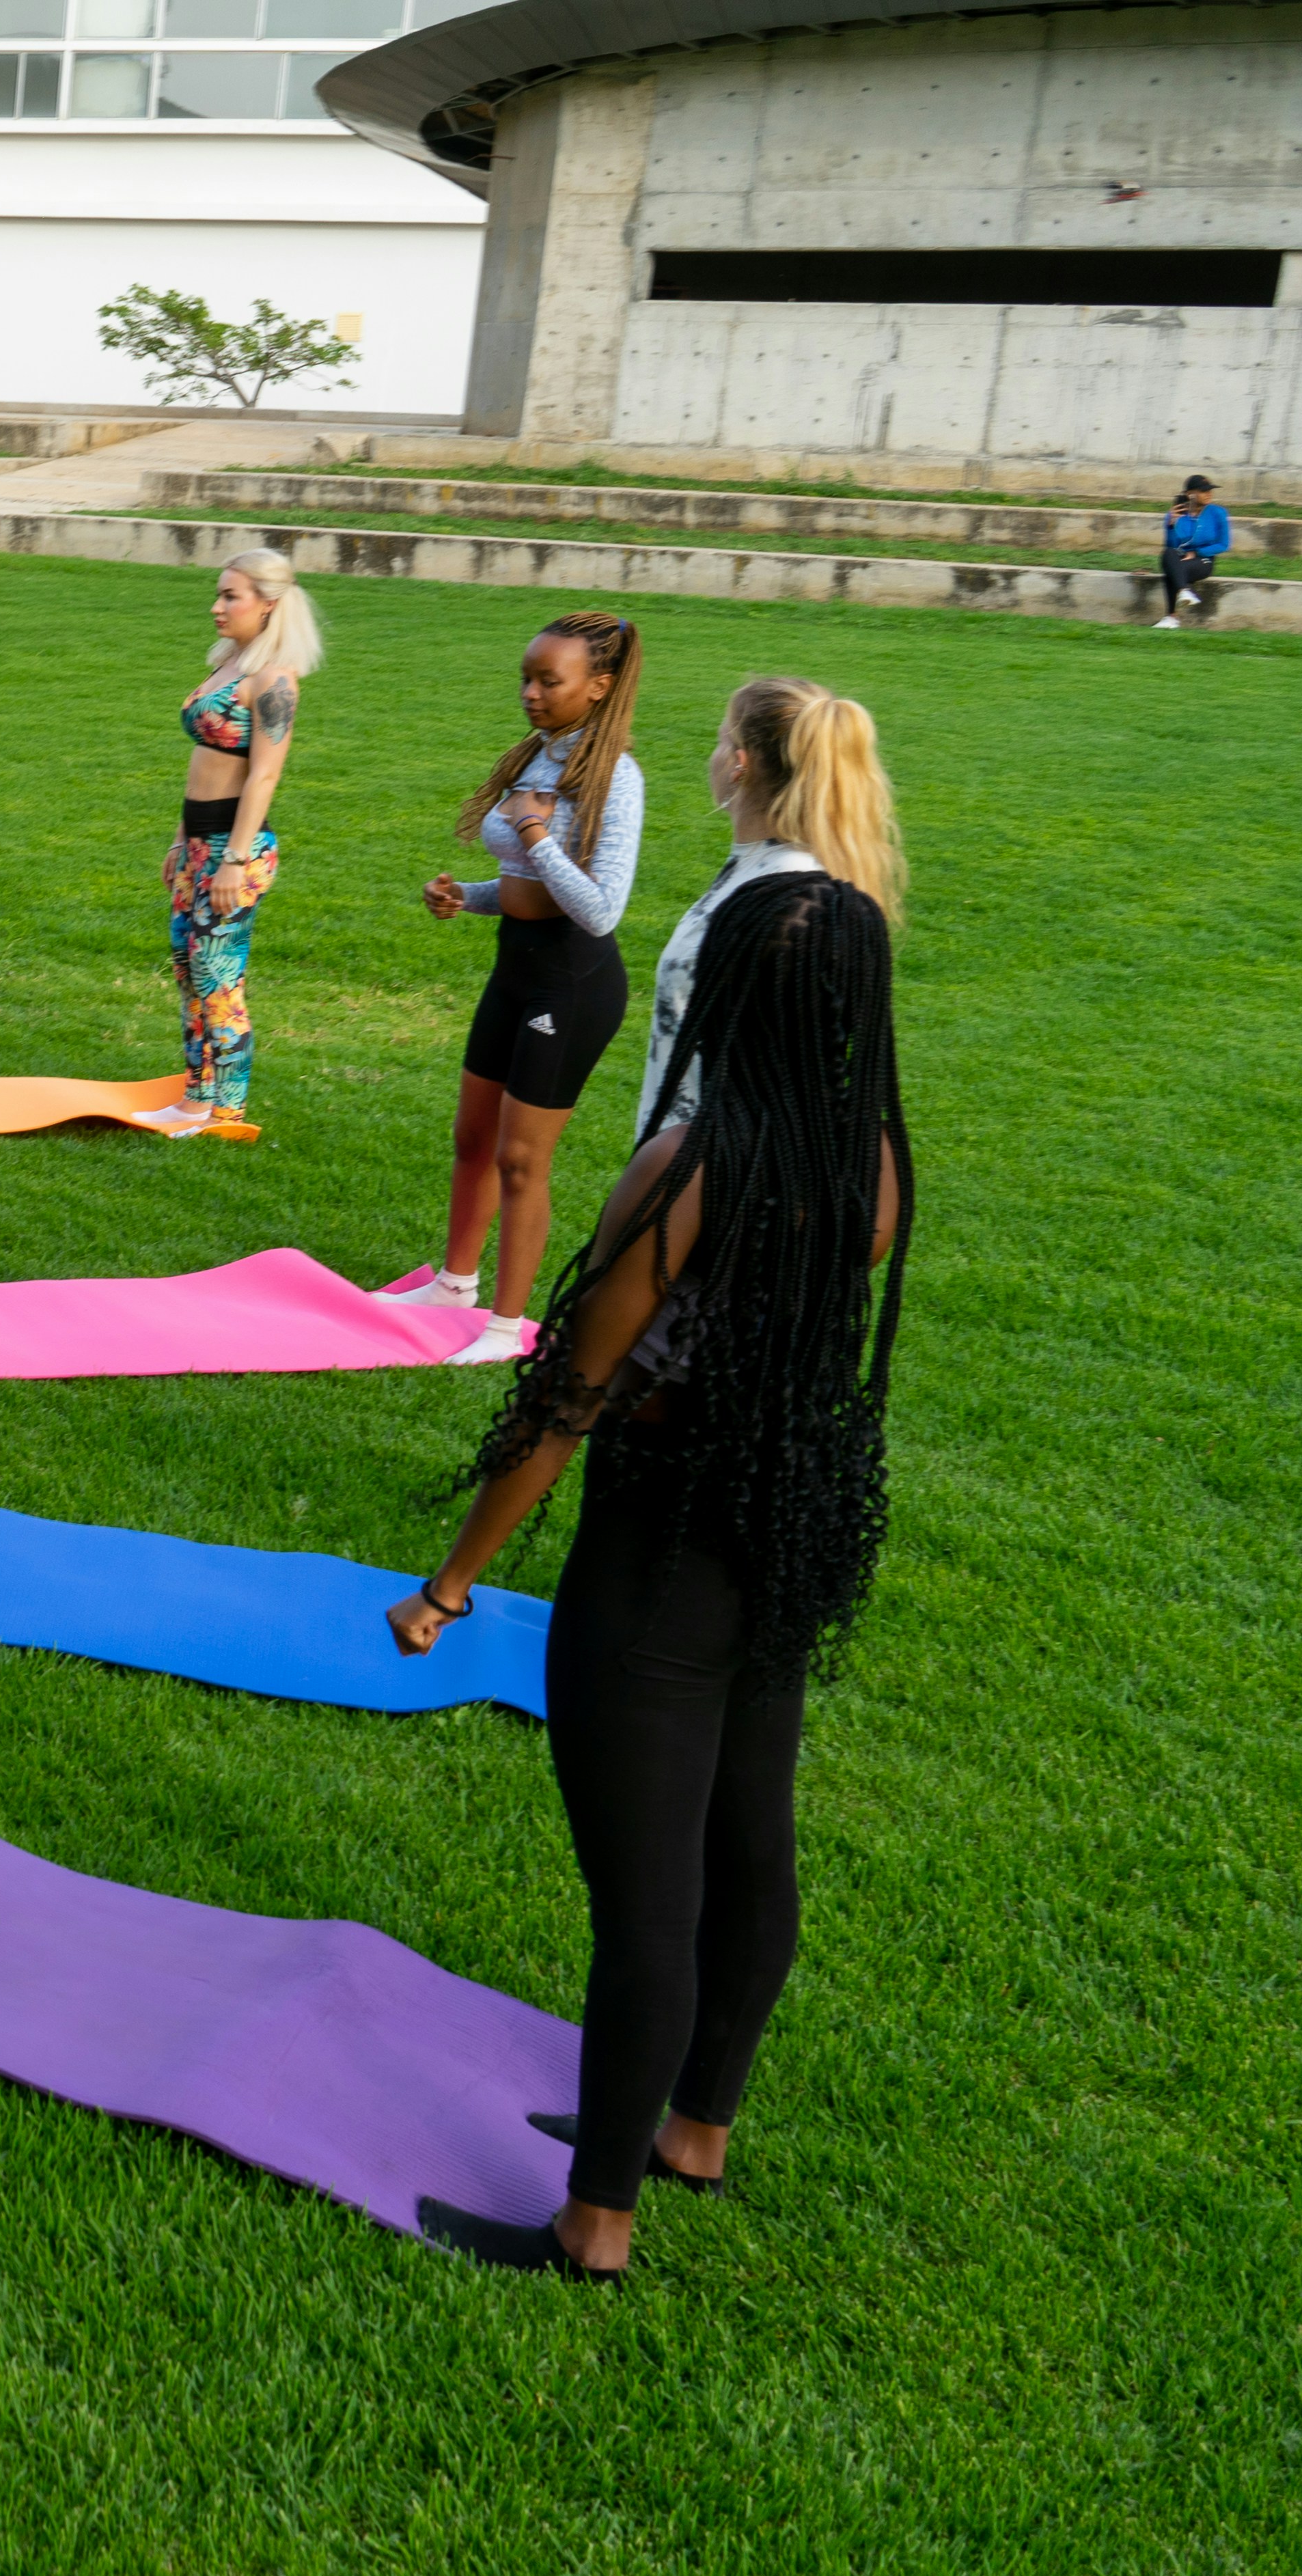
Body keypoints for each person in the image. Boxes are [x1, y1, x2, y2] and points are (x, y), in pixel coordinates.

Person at [387, 869, 913, 2282]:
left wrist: (449, 1583)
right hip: (781, 1544)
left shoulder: (689, 1166)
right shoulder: (868, 1159)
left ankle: (593, 2222)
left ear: (728, 995)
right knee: (754, 1851)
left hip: (659, 1553)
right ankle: (696, 2133)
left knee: (649, 1908)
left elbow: (568, 1399)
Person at [388, 611, 648, 1328]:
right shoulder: (537, 756)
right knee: (472, 1138)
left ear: (598, 686)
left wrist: (534, 832)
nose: (531, 693)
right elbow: (524, 888)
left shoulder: (615, 777)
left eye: (548, 680)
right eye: (526, 678)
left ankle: (505, 1329)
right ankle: (453, 1286)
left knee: (521, 1160)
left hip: (570, 982)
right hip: (517, 969)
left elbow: (598, 910)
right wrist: (464, 899)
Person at [635, 674, 905, 1137]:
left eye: (720, 741)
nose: (712, 756)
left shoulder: (784, 907)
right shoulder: (779, 878)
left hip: (712, 1174)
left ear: (739, 764)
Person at [148, 549, 320, 1137]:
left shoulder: (275, 681)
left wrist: (232, 859)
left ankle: (228, 1109)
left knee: (219, 977)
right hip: (199, 845)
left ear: (269, 605)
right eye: (218, 594)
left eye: (231, 596)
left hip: (235, 852)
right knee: (187, 969)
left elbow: (264, 774)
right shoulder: (230, 666)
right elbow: (202, 764)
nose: (217, 607)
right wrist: (180, 841)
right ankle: (195, 1097)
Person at [1155, 475, 1229, 628]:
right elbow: (1172, 544)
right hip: (1179, 557)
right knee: (1168, 553)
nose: (1209, 494)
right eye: (1203, 491)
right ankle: (1184, 591)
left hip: (1203, 560)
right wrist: (1171, 525)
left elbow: (1224, 544)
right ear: (1190, 494)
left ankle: (1171, 617)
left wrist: (1196, 553)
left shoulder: (1218, 513)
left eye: (1210, 490)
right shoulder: (1177, 514)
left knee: (1172, 571)